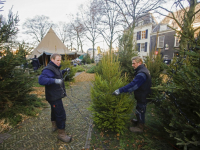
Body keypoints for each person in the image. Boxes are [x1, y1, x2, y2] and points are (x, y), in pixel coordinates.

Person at [112, 56, 152, 133]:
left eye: (134, 63)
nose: (132, 65)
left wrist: (119, 90)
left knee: (141, 110)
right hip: (142, 94)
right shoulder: (142, 70)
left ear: (139, 63)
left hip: (143, 95)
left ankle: (140, 127)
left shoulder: (142, 73)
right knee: (139, 108)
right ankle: (139, 121)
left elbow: (133, 85)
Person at [38, 53, 72, 143]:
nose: (59, 62)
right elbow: (41, 80)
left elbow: (57, 74)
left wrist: (64, 71)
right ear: (52, 60)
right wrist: (54, 81)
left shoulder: (55, 68)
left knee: (54, 111)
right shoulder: (48, 69)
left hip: (55, 95)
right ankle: (61, 134)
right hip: (53, 96)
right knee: (60, 113)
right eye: (57, 60)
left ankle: (54, 126)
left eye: (60, 60)